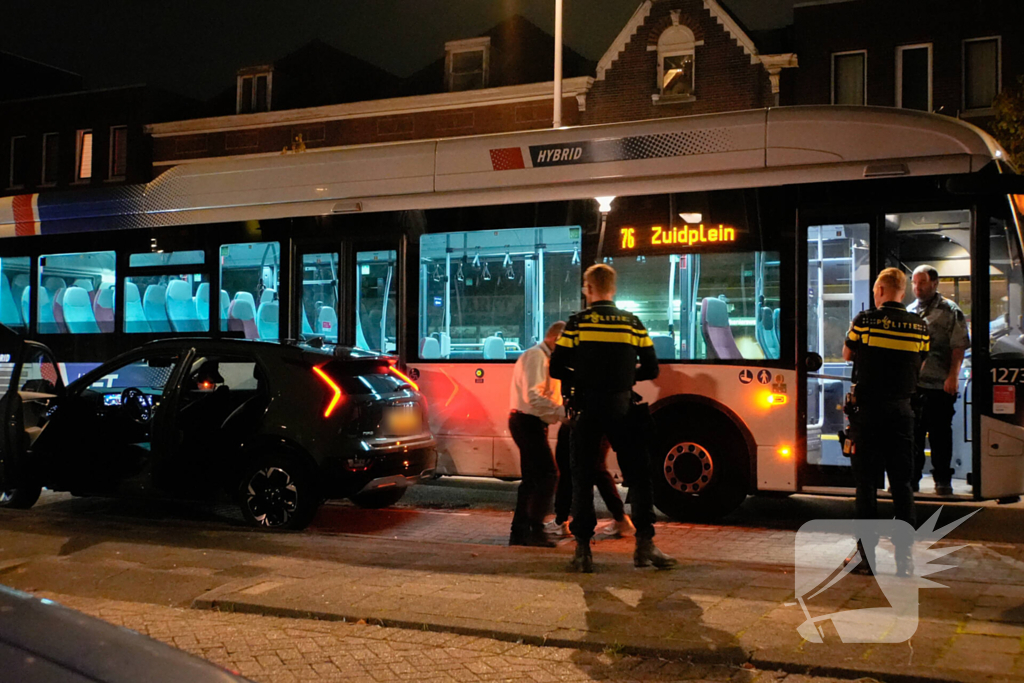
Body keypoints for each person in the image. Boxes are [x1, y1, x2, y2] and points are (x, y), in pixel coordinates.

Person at [550, 264, 675, 572]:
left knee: (582, 476)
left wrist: (583, 378)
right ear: (614, 289)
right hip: (623, 408)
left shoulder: (577, 323)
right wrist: (623, 377)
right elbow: (652, 370)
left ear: (587, 289)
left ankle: (582, 551)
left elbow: (556, 368)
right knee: (639, 477)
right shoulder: (631, 323)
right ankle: (645, 544)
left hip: (588, 409)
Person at [843, 267, 930, 577]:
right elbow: (920, 363)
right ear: (903, 292)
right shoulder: (920, 326)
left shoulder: (864, 321)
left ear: (879, 290)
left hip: (868, 414)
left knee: (866, 486)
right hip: (902, 414)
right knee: (902, 486)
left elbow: (846, 355)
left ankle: (866, 559)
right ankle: (904, 559)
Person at [907, 265, 970, 496]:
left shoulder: (950, 311)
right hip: (914, 385)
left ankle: (943, 481)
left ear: (934, 283)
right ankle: (911, 481)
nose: (917, 287)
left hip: (939, 384)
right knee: (913, 435)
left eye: (921, 282)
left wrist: (953, 376)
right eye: (914, 283)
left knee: (940, 436)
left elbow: (959, 345)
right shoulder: (910, 310)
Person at [508, 321, 567, 547]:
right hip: (527, 421)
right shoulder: (536, 357)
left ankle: (520, 532)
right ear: (554, 339)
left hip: (527, 421)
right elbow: (533, 396)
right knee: (547, 475)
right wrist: (561, 412)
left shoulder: (543, 357)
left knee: (532, 479)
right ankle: (535, 529)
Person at [546, 430, 635, 538]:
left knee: (570, 468)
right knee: (596, 469)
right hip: (602, 425)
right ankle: (619, 516)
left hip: (578, 424)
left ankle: (563, 521)